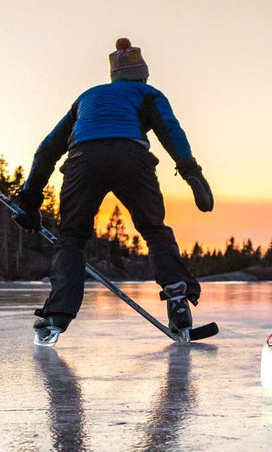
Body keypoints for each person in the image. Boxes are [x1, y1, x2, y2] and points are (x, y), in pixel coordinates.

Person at [13, 38, 213, 344]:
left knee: (71, 236)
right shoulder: (148, 93)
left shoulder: (87, 97)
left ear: (114, 76)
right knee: (154, 230)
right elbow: (170, 130)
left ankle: (56, 316)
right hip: (132, 158)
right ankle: (176, 295)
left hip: (82, 160)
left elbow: (48, 148)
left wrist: (30, 197)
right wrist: (191, 171)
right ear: (143, 74)